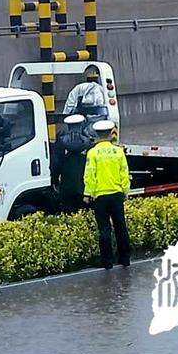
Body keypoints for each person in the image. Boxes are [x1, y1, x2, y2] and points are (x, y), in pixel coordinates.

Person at [83, 119, 131, 269]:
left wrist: (87, 193)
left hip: (100, 196)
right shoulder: (118, 151)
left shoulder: (92, 153)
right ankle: (125, 259)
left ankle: (107, 262)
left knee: (104, 229)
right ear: (111, 133)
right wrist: (125, 191)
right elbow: (124, 172)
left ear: (97, 135)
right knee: (121, 227)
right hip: (117, 194)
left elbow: (90, 175)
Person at [54, 114, 93, 212]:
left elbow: (56, 164)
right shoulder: (88, 143)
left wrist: (54, 180)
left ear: (68, 126)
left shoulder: (60, 142)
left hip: (66, 186)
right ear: (81, 125)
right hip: (83, 186)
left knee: (68, 214)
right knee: (84, 215)